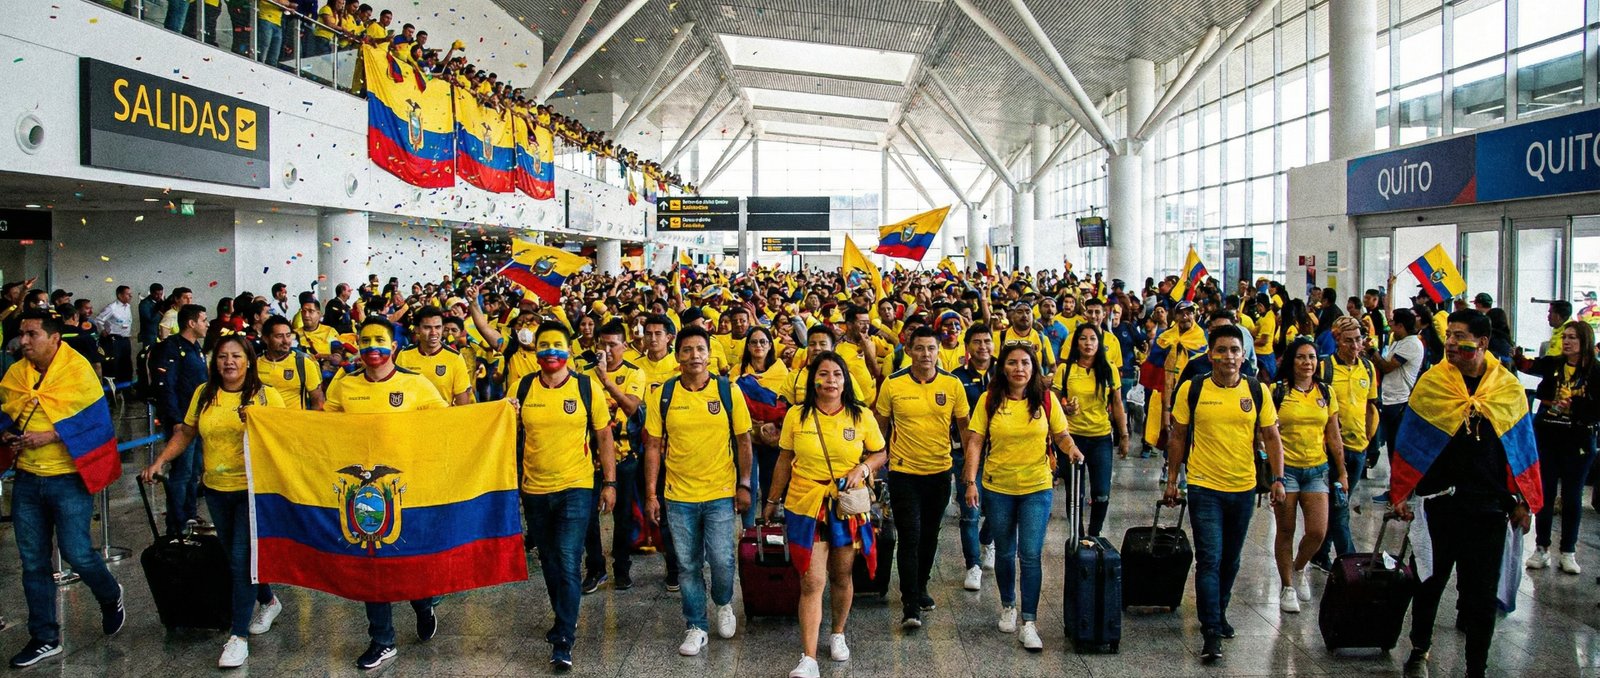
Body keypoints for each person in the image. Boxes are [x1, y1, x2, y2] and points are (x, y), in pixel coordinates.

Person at [1393, 310, 1541, 678]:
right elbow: (1411, 442)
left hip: (1489, 508)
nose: (1451, 343)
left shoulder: (1507, 389)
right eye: (1449, 335)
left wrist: (1524, 501)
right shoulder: (1433, 383)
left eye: (1460, 336)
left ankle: (1477, 667)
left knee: (1481, 596)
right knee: (1428, 583)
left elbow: (1521, 446)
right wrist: (1402, 492)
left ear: (1483, 342)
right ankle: (1419, 649)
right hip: (1439, 504)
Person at [139, 335, 285, 667]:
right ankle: (269, 601)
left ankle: (238, 637)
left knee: (240, 561)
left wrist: (257, 425)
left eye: (236, 356)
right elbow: (187, 431)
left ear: (249, 361)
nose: (229, 362)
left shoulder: (266, 396)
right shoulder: (204, 394)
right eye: (222, 356)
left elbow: (284, 440)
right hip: (217, 489)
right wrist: (161, 461)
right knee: (238, 557)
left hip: (253, 490)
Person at [1, 311, 125, 669]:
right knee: (32, 561)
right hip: (27, 478)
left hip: (69, 478)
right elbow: (7, 412)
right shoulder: (16, 374)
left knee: (77, 552)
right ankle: (45, 637)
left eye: (32, 334)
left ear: (54, 338)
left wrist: (51, 435)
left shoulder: (77, 371)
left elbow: (95, 423)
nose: (24, 341)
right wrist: (7, 433)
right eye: (21, 334)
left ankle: (110, 593)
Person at [323, 317, 449, 669]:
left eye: (379, 340)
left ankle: (423, 602)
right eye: (365, 341)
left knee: (408, 559)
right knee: (372, 564)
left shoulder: (416, 384)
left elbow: (447, 425)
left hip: (409, 490)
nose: (372, 348)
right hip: (362, 494)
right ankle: (382, 640)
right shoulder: (344, 386)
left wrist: (500, 413)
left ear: (394, 346)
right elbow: (323, 430)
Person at [1165, 324, 1285, 663]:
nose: (1228, 357)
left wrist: (1279, 478)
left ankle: (1219, 610)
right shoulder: (1193, 389)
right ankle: (1211, 630)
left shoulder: (1256, 390)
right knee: (1210, 559)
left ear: (1243, 355)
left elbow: (1271, 436)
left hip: (1243, 488)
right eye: (1221, 350)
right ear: (1210, 355)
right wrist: (1173, 480)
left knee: (1231, 560)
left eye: (1234, 350)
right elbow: (1178, 436)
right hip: (1204, 486)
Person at [765, 351, 887, 678]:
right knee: (811, 580)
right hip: (805, 505)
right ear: (812, 380)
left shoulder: (860, 415)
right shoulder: (797, 415)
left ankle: (838, 632)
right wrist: (772, 500)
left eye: (836, 374)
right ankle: (808, 658)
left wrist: (863, 468)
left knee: (841, 575)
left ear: (845, 381)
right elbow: (784, 459)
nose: (830, 380)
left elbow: (880, 452)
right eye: (823, 374)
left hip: (844, 506)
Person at [962, 342, 1081, 653]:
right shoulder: (990, 399)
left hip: (1037, 487)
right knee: (1004, 552)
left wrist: (1071, 449)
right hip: (998, 486)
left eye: (1025, 363)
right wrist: (971, 481)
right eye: (1012, 363)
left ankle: (1029, 622)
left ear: (1034, 367)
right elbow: (975, 441)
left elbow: (1061, 435)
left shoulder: (1046, 399)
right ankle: (1008, 605)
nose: (1019, 368)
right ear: (1003, 367)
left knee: (1030, 554)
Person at [642, 325, 754, 657]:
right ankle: (696, 625)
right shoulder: (663, 394)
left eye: (700, 349)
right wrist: (651, 494)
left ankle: (723, 602)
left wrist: (744, 484)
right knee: (688, 564)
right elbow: (653, 446)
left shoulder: (728, 391)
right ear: (677, 356)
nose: (694, 356)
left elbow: (744, 441)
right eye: (687, 350)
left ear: (709, 355)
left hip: (720, 491)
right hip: (678, 496)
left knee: (721, 559)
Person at [512, 320, 615, 670]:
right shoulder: (522, 387)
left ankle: (564, 639)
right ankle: (562, 617)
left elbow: (603, 436)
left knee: (569, 559)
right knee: (549, 561)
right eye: (544, 345)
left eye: (557, 345)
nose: (550, 352)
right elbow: (504, 433)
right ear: (535, 350)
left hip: (576, 486)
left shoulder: (586, 387)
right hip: (534, 490)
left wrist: (610, 483)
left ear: (569, 350)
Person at [874, 326, 970, 629]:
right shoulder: (893, 384)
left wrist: (969, 468)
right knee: (910, 536)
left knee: (930, 534)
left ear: (938, 351)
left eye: (931, 348)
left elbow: (964, 428)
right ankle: (910, 603)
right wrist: (875, 465)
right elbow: (880, 427)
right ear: (909, 350)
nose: (925, 354)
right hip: (904, 473)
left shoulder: (952, 384)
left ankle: (922, 584)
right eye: (919, 348)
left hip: (940, 472)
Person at [1269, 338, 1345, 613]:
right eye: (1301, 357)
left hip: (1317, 469)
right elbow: (1267, 433)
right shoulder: (1277, 391)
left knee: (1317, 531)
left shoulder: (1326, 392)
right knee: (1286, 530)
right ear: (1291, 361)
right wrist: (1274, 474)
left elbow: (1333, 435)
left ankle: (1299, 566)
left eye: (1312, 357)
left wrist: (1342, 472)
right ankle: (1287, 586)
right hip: (1286, 470)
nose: (1307, 362)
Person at [1522, 321, 1598, 573]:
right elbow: (1541, 391)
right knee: (1545, 494)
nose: (1567, 342)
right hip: (1549, 436)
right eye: (1565, 337)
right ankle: (1542, 547)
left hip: (1578, 441)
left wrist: (1574, 407)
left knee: (1571, 497)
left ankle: (1568, 551)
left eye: (1572, 337)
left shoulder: (1595, 371)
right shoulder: (1554, 365)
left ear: (1584, 341)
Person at [579, 319, 645, 593]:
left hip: (624, 457)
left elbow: (631, 408)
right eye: (602, 344)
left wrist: (606, 380)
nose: (607, 350)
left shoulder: (635, 373)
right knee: (588, 516)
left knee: (623, 516)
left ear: (624, 346)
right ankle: (595, 568)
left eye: (613, 345)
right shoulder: (582, 375)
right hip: (588, 458)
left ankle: (622, 567)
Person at [1311, 316, 1379, 570]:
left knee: (1340, 503)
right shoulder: (1324, 368)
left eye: (1358, 340)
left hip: (1358, 447)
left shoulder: (1368, 368)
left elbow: (1370, 406)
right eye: (1349, 340)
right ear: (1337, 340)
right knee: (1340, 508)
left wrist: (1369, 440)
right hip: (1330, 449)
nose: (1355, 345)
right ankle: (1350, 564)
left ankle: (1320, 553)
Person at [1053, 324, 1128, 536]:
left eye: (1093, 339)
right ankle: (1077, 536)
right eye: (1083, 338)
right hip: (1072, 439)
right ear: (1076, 343)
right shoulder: (1065, 370)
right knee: (1075, 493)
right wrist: (1065, 408)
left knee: (1101, 493)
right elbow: (1054, 404)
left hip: (1100, 438)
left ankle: (1094, 535)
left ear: (1099, 343)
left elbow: (1117, 404)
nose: (1088, 343)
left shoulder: (1109, 370)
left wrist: (1124, 435)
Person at [154, 303, 210, 535]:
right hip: (181, 422)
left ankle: (190, 516)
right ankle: (176, 525)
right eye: (204, 320)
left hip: (197, 420)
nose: (207, 324)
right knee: (182, 472)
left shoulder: (195, 348)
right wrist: (176, 419)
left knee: (194, 471)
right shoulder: (172, 348)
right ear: (191, 323)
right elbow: (166, 386)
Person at [950, 323, 998, 587]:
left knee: (997, 508)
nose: (983, 347)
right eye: (977, 342)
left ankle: (987, 540)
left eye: (987, 341)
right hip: (965, 452)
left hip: (999, 452)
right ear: (967, 346)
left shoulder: (1004, 372)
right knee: (970, 510)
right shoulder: (956, 378)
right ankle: (973, 565)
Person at [1372, 308, 1423, 464]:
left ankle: (1397, 478)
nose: (1390, 326)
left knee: (1396, 446)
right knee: (1389, 444)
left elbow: (1387, 367)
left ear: (1400, 325)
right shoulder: (1399, 341)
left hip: (1399, 401)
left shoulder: (1411, 344)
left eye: (1392, 323)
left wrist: (1372, 351)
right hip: (1389, 398)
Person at [395, 306, 473, 405]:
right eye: (427, 327)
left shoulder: (455, 357)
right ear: (417, 329)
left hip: (442, 414)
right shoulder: (404, 355)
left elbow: (462, 399)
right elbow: (396, 390)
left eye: (437, 327)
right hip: (412, 414)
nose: (433, 333)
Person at [258, 315, 325, 410]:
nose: (286, 341)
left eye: (288, 335)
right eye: (279, 336)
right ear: (266, 339)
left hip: (295, 418)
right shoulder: (255, 364)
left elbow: (318, 400)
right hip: (264, 418)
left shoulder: (303, 363)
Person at [94, 285, 135, 382]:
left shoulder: (128, 306)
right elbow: (98, 320)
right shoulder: (112, 307)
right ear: (120, 295)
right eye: (128, 294)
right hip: (114, 340)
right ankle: (114, 386)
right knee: (115, 364)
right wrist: (102, 330)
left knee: (126, 363)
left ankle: (126, 385)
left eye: (130, 294)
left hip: (125, 339)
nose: (130, 296)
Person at [139, 283, 165, 347]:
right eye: (157, 294)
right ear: (151, 292)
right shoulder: (144, 304)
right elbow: (149, 320)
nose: (159, 296)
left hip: (160, 334)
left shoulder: (161, 302)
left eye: (161, 294)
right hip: (149, 336)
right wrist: (158, 310)